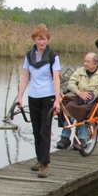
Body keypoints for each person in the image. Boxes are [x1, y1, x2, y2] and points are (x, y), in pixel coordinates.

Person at [17, 24, 61, 178]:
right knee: (36, 130)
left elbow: (56, 78)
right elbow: (25, 76)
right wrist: (20, 96)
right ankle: (39, 160)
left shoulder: (53, 57)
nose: (41, 42)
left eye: (44, 39)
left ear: (47, 39)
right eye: (38, 39)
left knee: (45, 130)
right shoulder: (29, 55)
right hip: (33, 97)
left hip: (47, 97)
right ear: (34, 40)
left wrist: (57, 99)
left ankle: (45, 163)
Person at [56, 52, 98, 151]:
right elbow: (70, 83)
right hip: (79, 96)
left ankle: (81, 140)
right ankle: (64, 138)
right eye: (84, 61)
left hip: (94, 99)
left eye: (88, 62)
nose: (85, 63)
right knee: (68, 107)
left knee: (84, 110)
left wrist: (92, 95)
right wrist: (79, 93)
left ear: (96, 63)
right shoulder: (80, 71)